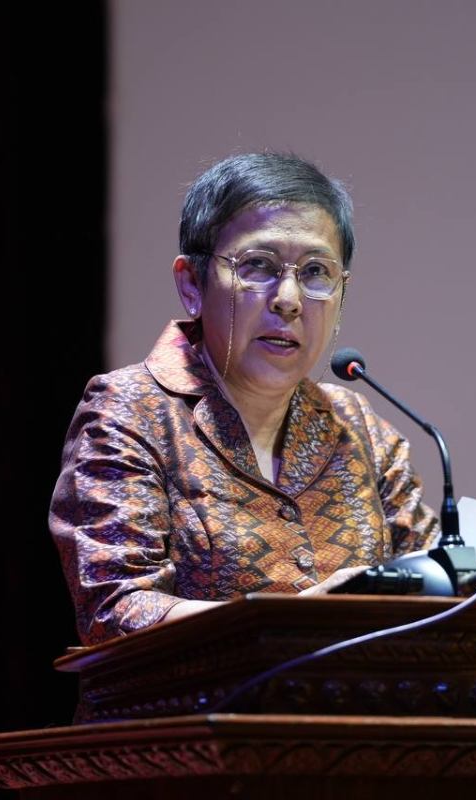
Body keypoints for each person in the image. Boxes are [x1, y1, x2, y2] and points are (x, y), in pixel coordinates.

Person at [50, 153, 439, 646]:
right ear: (192, 283)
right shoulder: (130, 411)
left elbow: (436, 580)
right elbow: (116, 609)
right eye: (258, 266)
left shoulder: (358, 426)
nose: (288, 299)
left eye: (316, 272)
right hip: (193, 697)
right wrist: (290, 622)